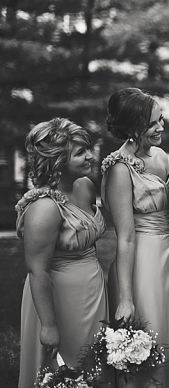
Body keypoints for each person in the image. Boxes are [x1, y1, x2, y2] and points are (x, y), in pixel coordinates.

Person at [17, 118, 108, 388]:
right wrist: (48, 325)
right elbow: (38, 270)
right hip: (58, 300)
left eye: (88, 148)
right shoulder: (44, 207)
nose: (90, 156)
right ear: (57, 160)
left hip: (91, 291)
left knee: (92, 365)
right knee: (59, 373)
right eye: (80, 153)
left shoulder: (85, 187)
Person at [102, 88, 169, 388]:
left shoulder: (160, 156)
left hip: (167, 253)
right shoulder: (120, 169)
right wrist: (125, 297)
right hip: (141, 261)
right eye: (153, 124)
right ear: (133, 127)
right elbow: (125, 238)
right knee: (148, 336)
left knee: (168, 335)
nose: (161, 127)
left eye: (161, 120)